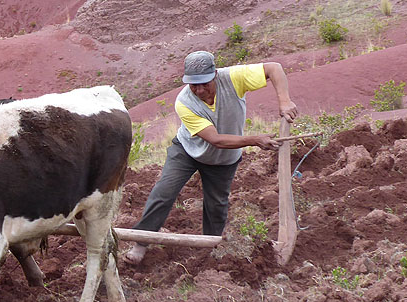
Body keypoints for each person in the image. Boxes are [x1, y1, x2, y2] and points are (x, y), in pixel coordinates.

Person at [123, 51, 298, 264]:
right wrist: (254, 139)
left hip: (223, 158)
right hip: (187, 152)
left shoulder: (234, 78)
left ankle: (210, 249)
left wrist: (285, 101)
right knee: (164, 192)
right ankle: (141, 241)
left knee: (216, 205)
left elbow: (274, 68)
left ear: (214, 74)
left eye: (204, 83)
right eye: (193, 85)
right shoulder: (184, 102)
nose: (198, 89)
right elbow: (214, 139)